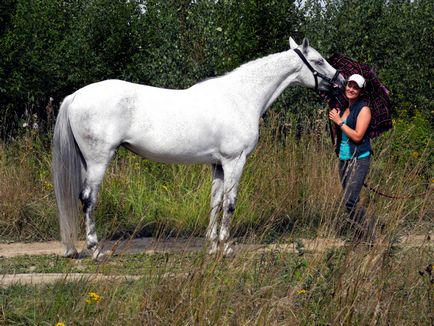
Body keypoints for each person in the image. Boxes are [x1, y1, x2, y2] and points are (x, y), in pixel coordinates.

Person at [328, 73, 374, 242]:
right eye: (349, 85)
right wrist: (335, 122)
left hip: (359, 159)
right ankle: (359, 237)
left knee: (350, 200)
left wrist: (340, 122)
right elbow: (339, 136)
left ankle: (370, 239)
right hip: (344, 159)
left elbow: (357, 136)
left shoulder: (364, 109)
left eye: (356, 87)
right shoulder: (346, 108)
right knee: (349, 202)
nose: (351, 89)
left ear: (361, 91)